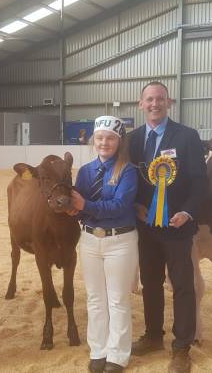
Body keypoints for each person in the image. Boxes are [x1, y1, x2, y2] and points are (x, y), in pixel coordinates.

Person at [127, 82, 208, 373]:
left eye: (160, 99)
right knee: (150, 283)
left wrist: (187, 212)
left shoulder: (187, 137)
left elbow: (200, 183)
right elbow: (129, 182)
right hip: (145, 227)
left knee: (182, 285)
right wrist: (136, 206)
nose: (154, 104)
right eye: (149, 99)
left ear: (168, 102)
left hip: (178, 226)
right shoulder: (132, 139)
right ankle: (152, 336)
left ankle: (181, 347)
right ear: (140, 104)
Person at [68, 115, 138, 373]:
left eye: (110, 138)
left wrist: (84, 206)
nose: (104, 142)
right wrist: (72, 209)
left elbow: (120, 206)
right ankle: (98, 349)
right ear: (93, 141)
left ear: (119, 142)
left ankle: (118, 354)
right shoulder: (85, 171)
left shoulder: (128, 171)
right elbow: (78, 205)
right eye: (100, 138)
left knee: (118, 299)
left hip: (119, 240)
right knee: (95, 298)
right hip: (88, 239)